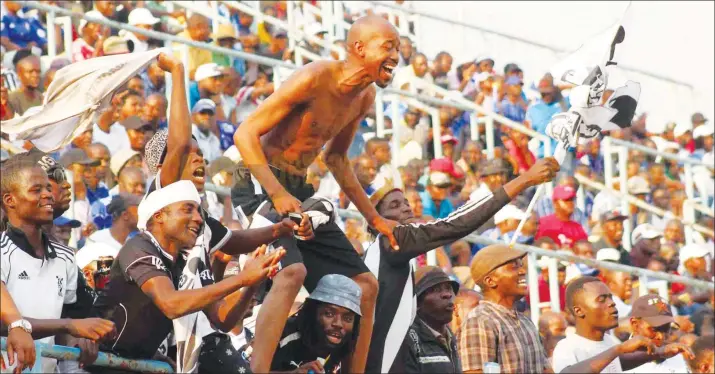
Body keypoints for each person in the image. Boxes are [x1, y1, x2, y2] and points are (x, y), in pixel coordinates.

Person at [230, 15, 405, 373]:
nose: (396, 56)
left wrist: (375, 219)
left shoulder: (364, 96)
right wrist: (276, 193)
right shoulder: (314, 77)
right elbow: (245, 134)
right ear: (358, 48)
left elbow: (337, 159)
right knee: (291, 272)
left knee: (365, 285)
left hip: (298, 190)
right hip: (258, 180)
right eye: (388, 47)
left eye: (399, 49)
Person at [364, 157, 560, 373]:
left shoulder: (382, 254)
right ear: (375, 219)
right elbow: (455, 224)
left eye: (406, 203)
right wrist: (524, 180)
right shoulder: (391, 241)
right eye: (395, 205)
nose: (406, 209)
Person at [92, 181, 283, 372]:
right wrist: (242, 278)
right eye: (188, 209)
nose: (199, 219)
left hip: (134, 363)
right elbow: (171, 304)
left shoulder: (185, 261)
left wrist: (250, 284)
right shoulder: (139, 247)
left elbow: (223, 320)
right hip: (95, 359)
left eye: (199, 211)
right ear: (159, 216)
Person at [0, 154, 117, 372]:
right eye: (37, 190)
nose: (48, 195)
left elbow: (74, 317)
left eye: (47, 188)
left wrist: (80, 339)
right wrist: (70, 326)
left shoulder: (65, 257)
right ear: (10, 200)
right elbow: (6, 323)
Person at [552, 276, 693, 373]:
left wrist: (660, 353)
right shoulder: (567, 347)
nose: (612, 303)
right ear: (579, 310)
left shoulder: (609, 341)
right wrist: (618, 349)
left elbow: (619, 363)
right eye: (602, 300)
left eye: (610, 298)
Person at [458, 244, 551, 373]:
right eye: (513, 267)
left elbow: (546, 369)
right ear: (490, 281)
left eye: (521, 266)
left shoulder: (526, 322)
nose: (523, 271)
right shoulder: (480, 321)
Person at [250, 274, 363, 373]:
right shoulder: (281, 335)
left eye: (347, 319)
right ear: (312, 312)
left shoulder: (342, 347)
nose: (338, 324)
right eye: (329, 314)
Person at [393, 266, 461, 373]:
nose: (447, 294)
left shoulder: (451, 338)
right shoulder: (407, 340)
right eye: (435, 290)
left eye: (448, 288)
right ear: (417, 302)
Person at [626, 294, 694, 373]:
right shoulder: (616, 361)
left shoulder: (679, 360)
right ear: (635, 324)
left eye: (666, 328)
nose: (661, 336)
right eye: (654, 329)